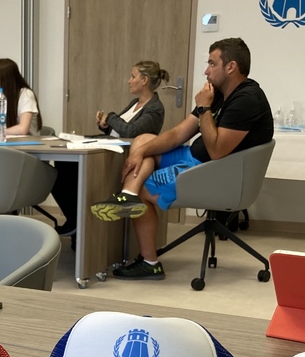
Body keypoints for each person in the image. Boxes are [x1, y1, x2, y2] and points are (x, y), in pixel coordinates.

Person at [90, 38, 273, 280]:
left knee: (145, 188)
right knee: (144, 139)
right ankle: (128, 196)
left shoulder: (247, 99)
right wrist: (139, 151)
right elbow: (178, 133)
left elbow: (217, 151)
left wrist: (204, 108)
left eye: (212, 64)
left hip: (213, 171)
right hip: (193, 157)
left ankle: (149, 263)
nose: (206, 71)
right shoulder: (219, 94)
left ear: (231, 67)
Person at [53, 60, 170, 239]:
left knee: (68, 169)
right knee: (62, 163)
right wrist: (106, 126)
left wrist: (111, 117)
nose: (129, 81)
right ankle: (75, 219)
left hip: (125, 157)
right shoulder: (135, 102)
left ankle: (78, 222)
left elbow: (131, 132)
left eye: (133, 76)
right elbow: (120, 131)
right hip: (112, 148)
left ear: (144, 80)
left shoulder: (155, 108)